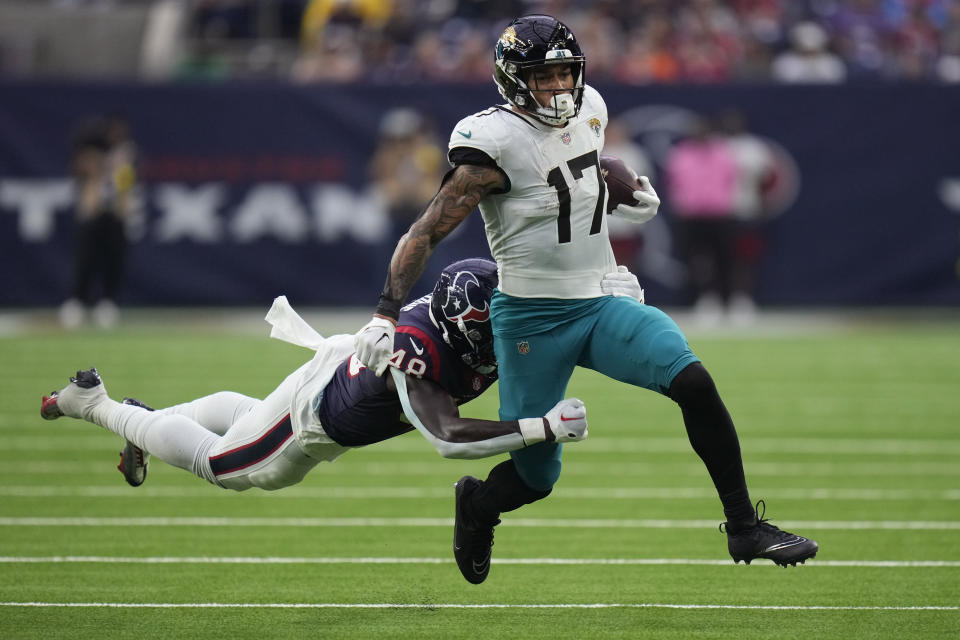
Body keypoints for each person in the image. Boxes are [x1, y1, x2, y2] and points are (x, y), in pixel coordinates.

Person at [353, 14, 818, 585]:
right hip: (530, 320)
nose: (559, 87)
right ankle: (478, 505)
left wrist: (620, 197)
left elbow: (575, 169)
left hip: (597, 302)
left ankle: (744, 527)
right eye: (544, 77)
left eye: (566, 73)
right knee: (536, 475)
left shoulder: (589, 107)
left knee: (692, 380)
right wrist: (384, 312)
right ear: (512, 78)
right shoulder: (491, 142)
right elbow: (426, 229)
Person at [40, 258, 588, 493]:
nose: (504, 335)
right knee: (228, 466)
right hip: (315, 419)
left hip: (334, 372)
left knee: (246, 421)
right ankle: (98, 406)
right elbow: (447, 438)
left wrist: (603, 291)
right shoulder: (415, 353)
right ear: (462, 328)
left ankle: (146, 425)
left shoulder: (477, 305)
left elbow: (540, 297)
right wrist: (542, 427)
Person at [59, 115, 137, 329]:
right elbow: (85, 176)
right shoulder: (90, 152)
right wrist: (100, 164)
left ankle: (108, 302)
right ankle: (77, 301)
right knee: (86, 259)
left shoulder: (125, 156)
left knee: (113, 259)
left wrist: (119, 166)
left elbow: (125, 185)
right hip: (93, 212)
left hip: (115, 213)